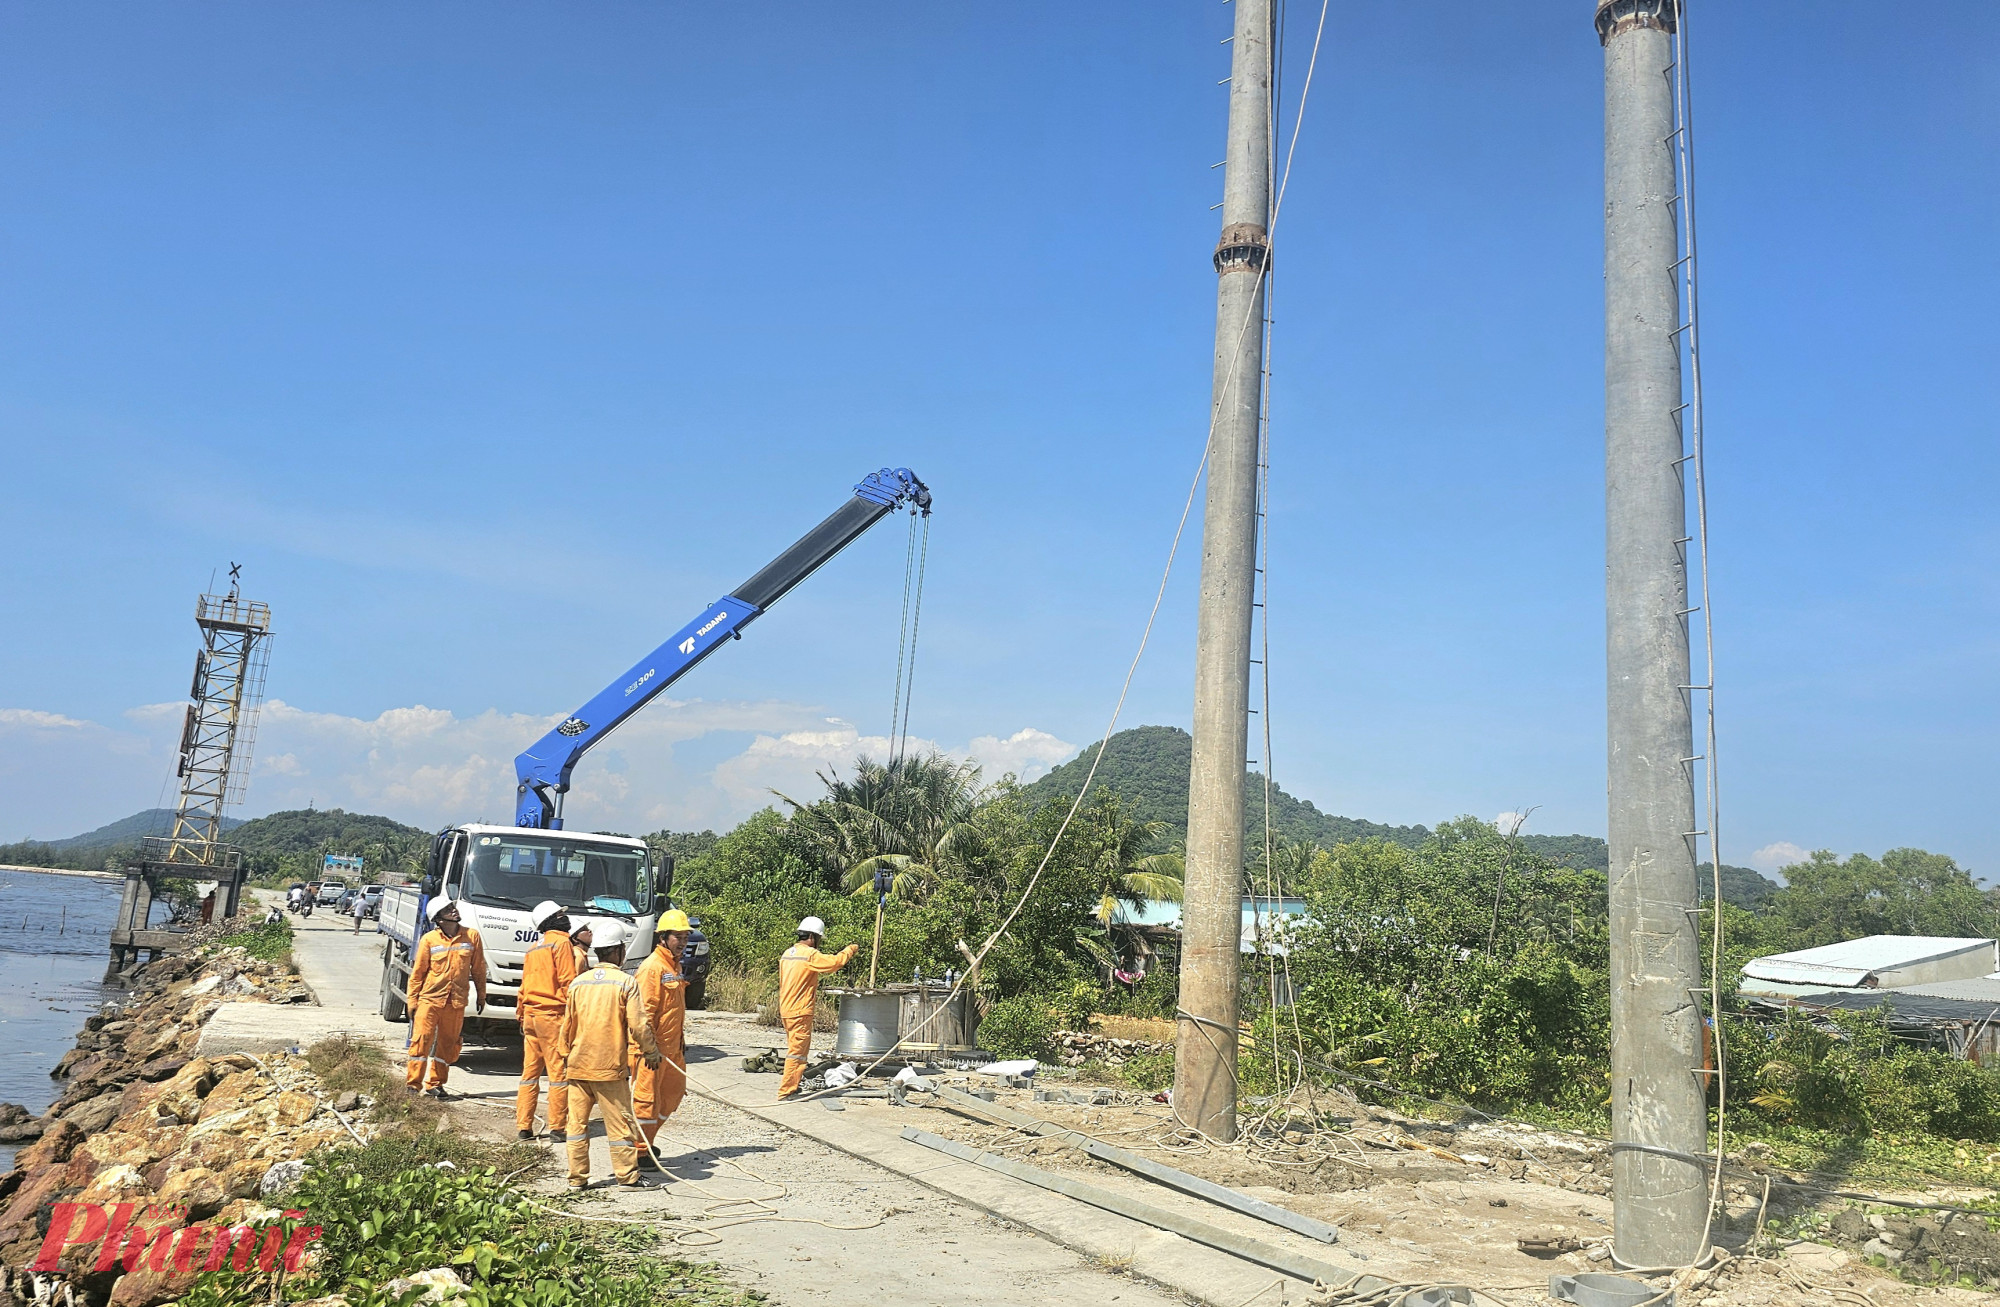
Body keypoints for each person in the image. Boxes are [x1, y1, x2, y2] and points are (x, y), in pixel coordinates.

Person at [559, 920, 658, 1190]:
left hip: (578, 1066)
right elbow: (639, 1025)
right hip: (609, 1069)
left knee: (576, 1126)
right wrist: (651, 1051)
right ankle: (627, 1176)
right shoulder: (625, 982)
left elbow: (567, 1026)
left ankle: (577, 1178)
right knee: (621, 1126)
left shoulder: (578, 983)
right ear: (618, 951)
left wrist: (565, 1056)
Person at [404, 897, 487, 1098]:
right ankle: (413, 1085)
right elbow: (418, 973)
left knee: (448, 1044)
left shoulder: (472, 936)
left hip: (456, 1001)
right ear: (438, 918)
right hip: (430, 999)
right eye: (448, 909)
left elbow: (478, 969)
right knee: (421, 1041)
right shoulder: (429, 940)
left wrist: (482, 995)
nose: (453, 910)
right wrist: (412, 1000)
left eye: (452, 907)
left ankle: (436, 1084)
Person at [515, 901, 581, 1141]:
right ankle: (557, 1127)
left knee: (530, 1073)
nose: (566, 917)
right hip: (552, 1015)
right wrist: (576, 1015)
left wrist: (521, 1014)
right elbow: (567, 982)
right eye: (561, 914)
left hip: (531, 1015)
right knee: (558, 1074)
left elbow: (523, 986)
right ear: (551, 920)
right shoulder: (562, 943)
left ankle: (524, 1126)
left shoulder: (534, 948)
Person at [631, 909, 692, 1164]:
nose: (682, 942)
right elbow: (642, 1013)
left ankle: (647, 1143)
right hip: (652, 1052)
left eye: (685, 937)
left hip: (672, 1049)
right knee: (646, 1103)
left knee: (673, 1095)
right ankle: (638, 1153)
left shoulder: (674, 966)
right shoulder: (652, 968)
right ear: (663, 937)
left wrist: (680, 1041)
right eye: (677, 936)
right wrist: (649, 1048)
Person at [776, 916, 857, 1100]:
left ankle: (793, 1084)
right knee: (797, 1053)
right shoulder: (809, 955)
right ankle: (786, 1091)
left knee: (796, 1050)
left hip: (787, 1009)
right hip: (800, 1010)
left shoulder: (788, 953)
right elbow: (834, 963)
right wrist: (850, 950)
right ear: (812, 937)